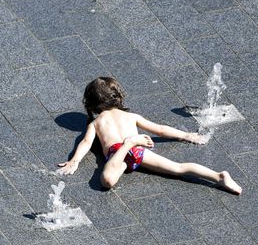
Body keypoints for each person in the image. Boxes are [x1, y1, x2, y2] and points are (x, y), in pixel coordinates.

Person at [58, 77, 242, 194]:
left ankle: (128, 144)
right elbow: (160, 129)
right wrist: (186, 135)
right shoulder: (131, 116)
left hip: (119, 153)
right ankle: (218, 176)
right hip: (138, 151)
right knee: (178, 168)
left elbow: (86, 142)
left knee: (106, 181)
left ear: (91, 103)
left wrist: (75, 161)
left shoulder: (97, 122)